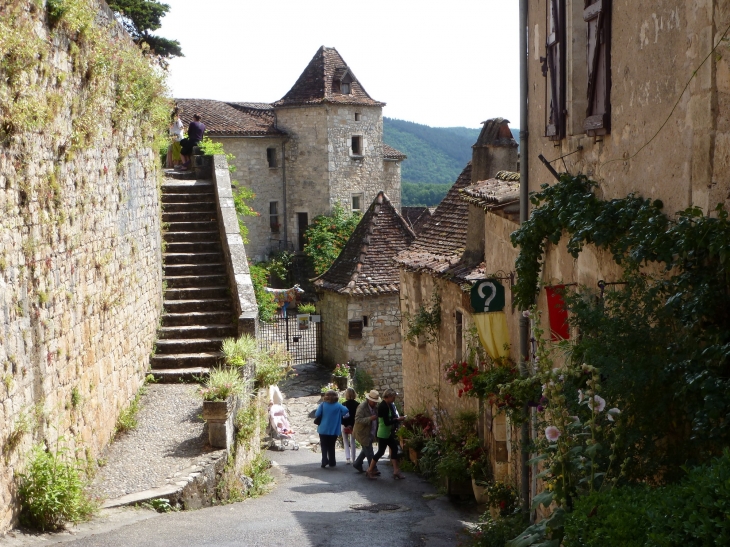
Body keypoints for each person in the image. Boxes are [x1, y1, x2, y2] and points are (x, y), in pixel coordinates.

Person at [366, 389, 406, 480]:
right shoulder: (382, 406)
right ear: (387, 397)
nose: (394, 399)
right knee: (381, 452)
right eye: (393, 397)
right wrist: (397, 420)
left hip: (387, 432)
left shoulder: (389, 405)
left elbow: (391, 417)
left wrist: (397, 418)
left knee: (394, 448)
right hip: (383, 433)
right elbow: (387, 422)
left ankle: (396, 471)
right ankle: (370, 470)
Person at [315, 390, 349, 468]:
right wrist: (340, 414)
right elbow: (346, 410)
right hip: (334, 429)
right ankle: (332, 462)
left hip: (323, 429)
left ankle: (324, 460)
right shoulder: (338, 405)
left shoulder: (323, 405)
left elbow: (317, 414)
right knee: (331, 446)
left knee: (324, 445)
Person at [353, 390, 381, 474]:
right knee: (369, 451)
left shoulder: (375, 407)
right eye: (374, 402)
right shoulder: (362, 407)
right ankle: (373, 469)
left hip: (370, 432)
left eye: (376, 402)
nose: (375, 403)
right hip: (362, 433)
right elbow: (357, 420)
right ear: (369, 400)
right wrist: (369, 418)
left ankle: (357, 464)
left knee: (366, 450)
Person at [341, 388, 359, 464]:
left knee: (345, 441)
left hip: (344, 424)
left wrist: (345, 425)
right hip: (354, 425)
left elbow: (342, 416)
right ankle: (353, 459)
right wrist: (351, 425)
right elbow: (357, 416)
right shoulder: (357, 404)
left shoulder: (343, 404)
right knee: (352, 441)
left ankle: (347, 458)